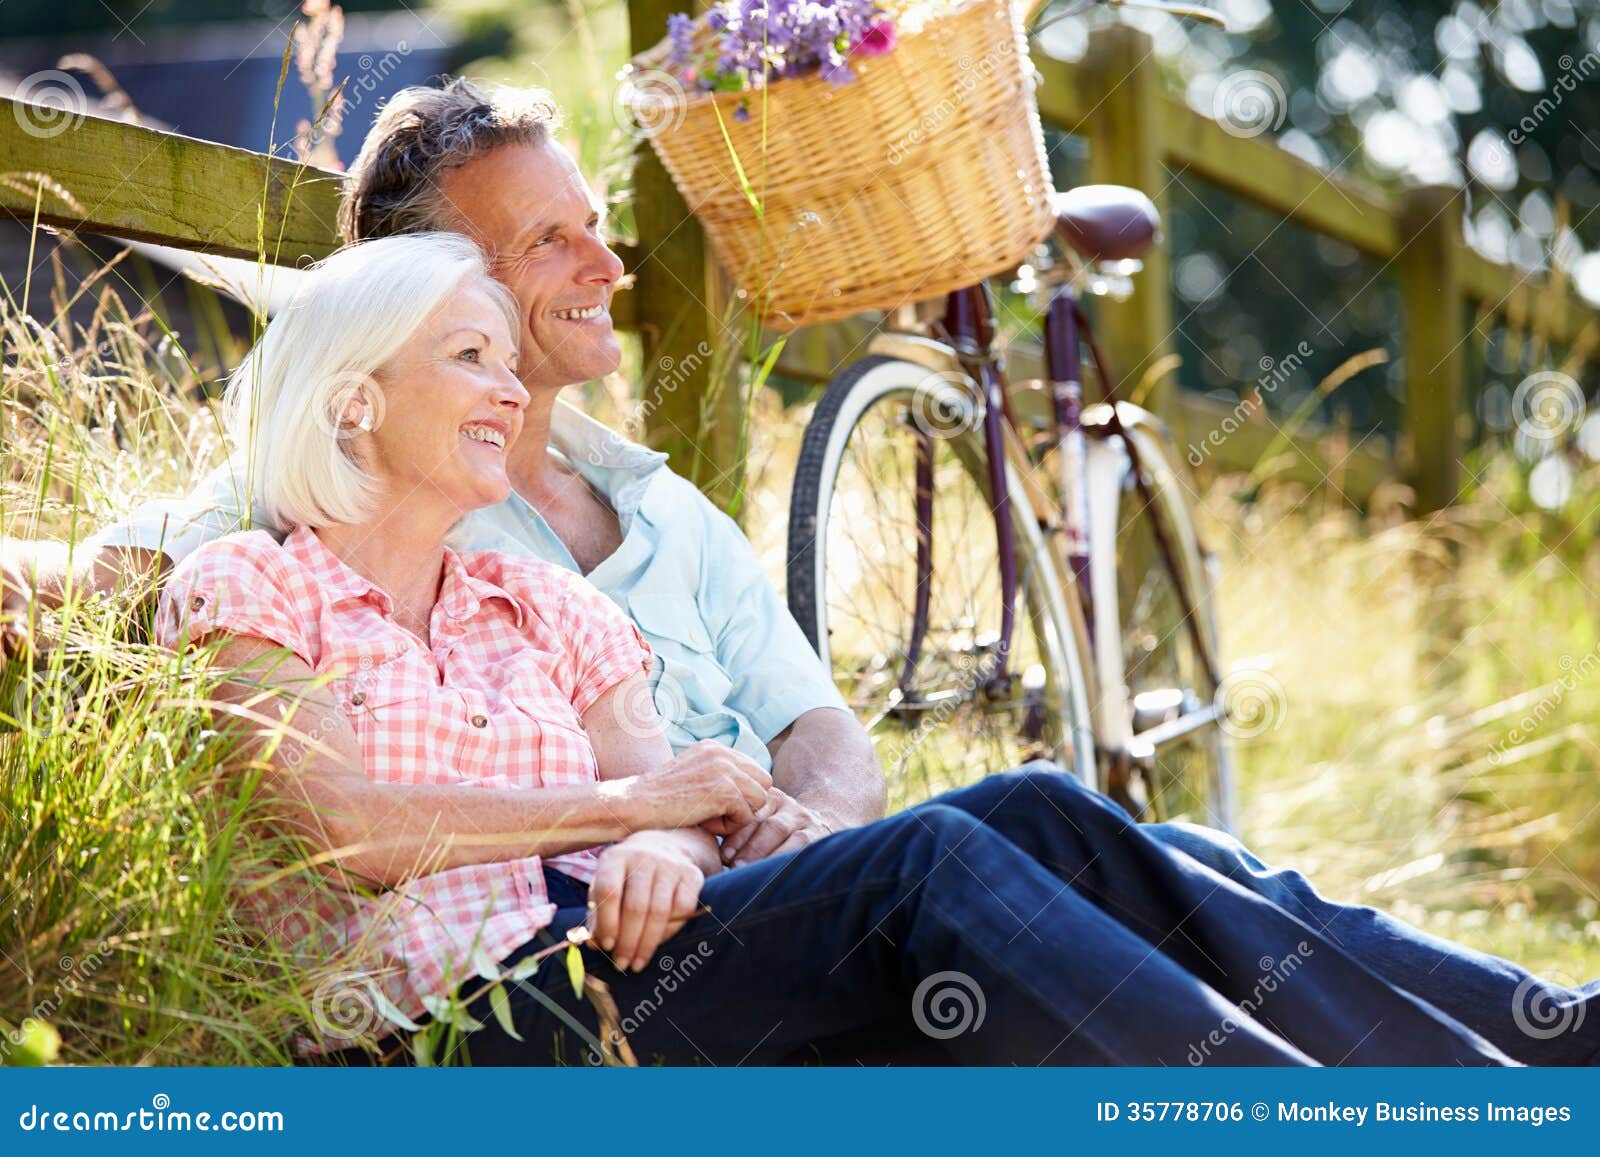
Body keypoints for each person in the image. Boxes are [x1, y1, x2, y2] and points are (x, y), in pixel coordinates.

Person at [156, 229, 1529, 1068]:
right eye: (470, 356)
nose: (515, 389)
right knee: (927, 863)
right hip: (434, 1044)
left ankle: (1470, 1076)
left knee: (1041, 807)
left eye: (509, 360)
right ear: (352, 405)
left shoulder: (534, 604)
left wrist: (666, 845)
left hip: (588, 964)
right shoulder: (251, 589)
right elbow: (339, 823)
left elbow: (690, 790)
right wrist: (628, 810)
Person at [0, 79, 882, 876]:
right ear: (431, 276)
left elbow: (818, 723)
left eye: (595, 225)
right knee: (990, 834)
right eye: (549, 240)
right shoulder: (351, 490)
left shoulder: (663, 504)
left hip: (780, 892)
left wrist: (819, 836)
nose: (609, 268)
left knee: (1009, 819)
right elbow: (88, 580)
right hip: (602, 929)